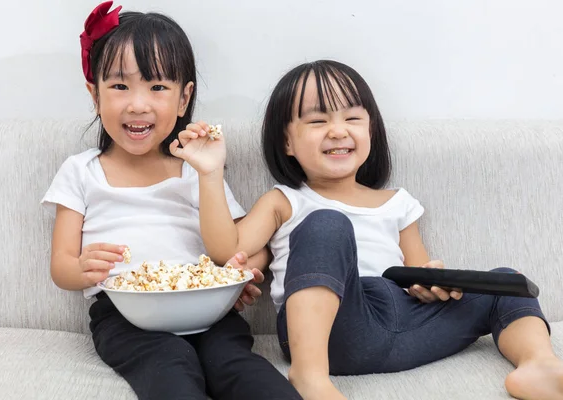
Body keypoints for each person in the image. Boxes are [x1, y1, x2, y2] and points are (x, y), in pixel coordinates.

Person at [171, 59, 563, 400]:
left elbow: (417, 274)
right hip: (333, 330)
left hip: (406, 324)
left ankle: (539, 365)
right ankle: (310, 376)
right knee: (327, 224)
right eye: (318, 120)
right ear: (287, 142)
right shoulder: (284, 201)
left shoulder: (398, 202)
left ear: (370, 131)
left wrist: (429, 281)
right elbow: (227, 252)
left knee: (505, 282)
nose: (338, 130)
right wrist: (210, 173)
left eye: (352, 118)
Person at [41, 2, 301, 399]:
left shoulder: (197, 169)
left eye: (158, 87)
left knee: (241, 370)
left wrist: (240, 274)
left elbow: (243, 245)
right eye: (120, 86)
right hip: (126, 318)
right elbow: (61, 266)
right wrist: (81, 267)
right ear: (95, 94)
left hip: (208, 310)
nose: (138, 103)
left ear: (184, 99)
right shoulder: (81, 172)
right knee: (169, 371)